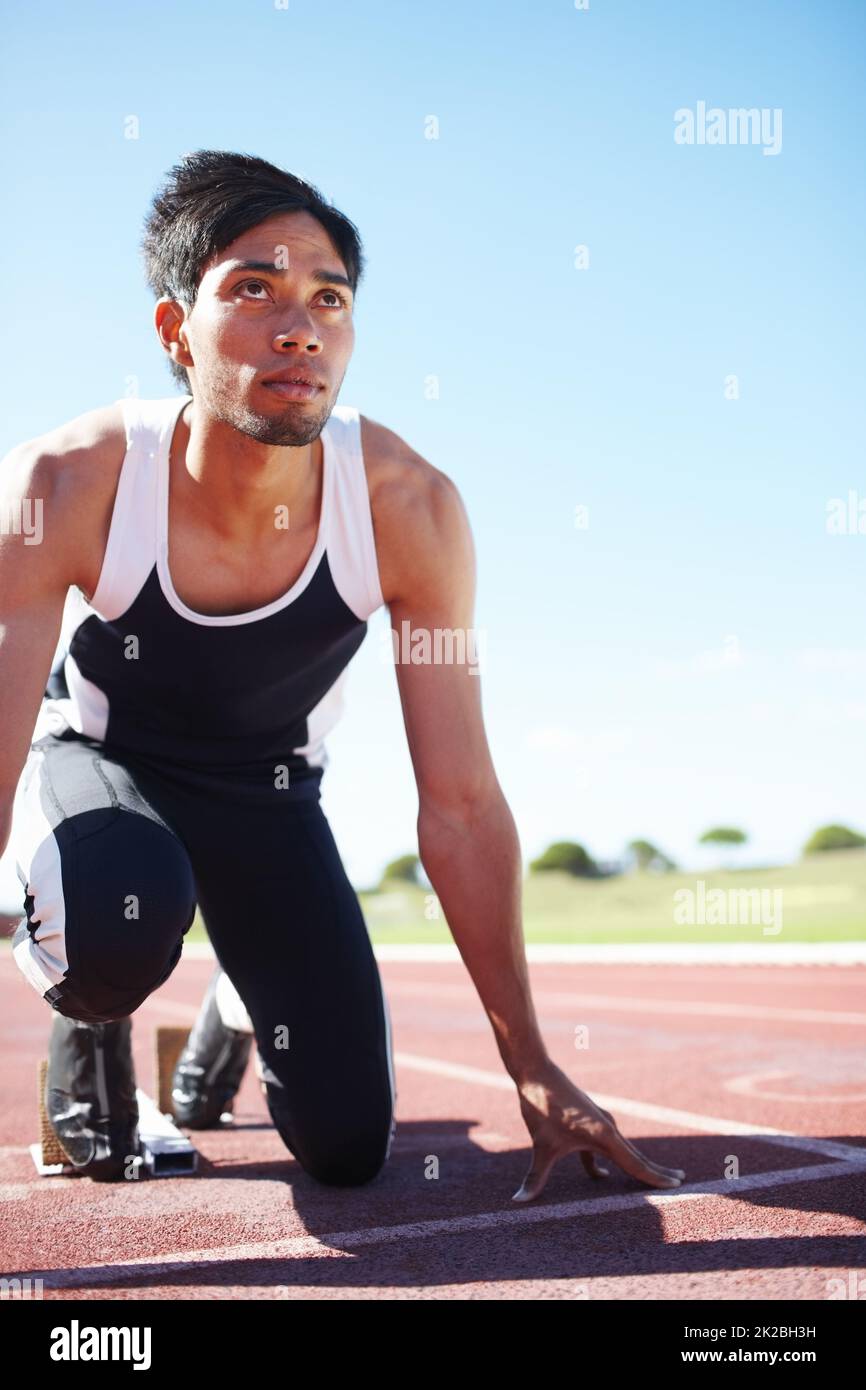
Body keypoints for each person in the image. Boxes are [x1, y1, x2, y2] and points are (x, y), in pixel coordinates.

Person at [0, 150, 684, 1198]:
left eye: (329, 298)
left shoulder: (409, 506)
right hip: (102, 771)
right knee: (120, 908)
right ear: (174, 330)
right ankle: (96, 1003)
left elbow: (458, 802)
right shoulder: (67, 481)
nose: (299, 327)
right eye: (253, 290)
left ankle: (232, 998)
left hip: (266, 797)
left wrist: (531, 1064)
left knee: (350, 1147)